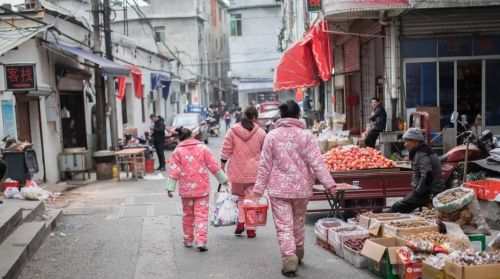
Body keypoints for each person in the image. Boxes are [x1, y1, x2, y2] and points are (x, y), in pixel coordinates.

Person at [253, 100, 340, 277]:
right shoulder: (307, 136)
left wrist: (258, 190)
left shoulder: (272, 135)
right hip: (301, 189)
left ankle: (289, 259)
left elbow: (264, 166)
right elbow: (317, 164)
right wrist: (330, 184)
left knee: (284, 226)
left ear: (282, 115)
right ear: (299, 115)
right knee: (298, 221)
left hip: (278, 189)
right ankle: (298, 252)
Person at [165, 127, 228, 252]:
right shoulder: (203, 148)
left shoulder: (177, 151)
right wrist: (223, 179)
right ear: (192, 135)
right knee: (202, 215)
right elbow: (213, 165)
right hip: (202, 189)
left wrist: (170, 188)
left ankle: (188, 239)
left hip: (186, 190)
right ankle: (201, 241)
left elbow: (174, 170)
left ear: (179, 138)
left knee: (188, 215)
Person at [221, 106, 266, 239]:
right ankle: (251, 229)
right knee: (251, 200)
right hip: (254, 172)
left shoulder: (232, 131)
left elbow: (226, 150)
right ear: (255, 117)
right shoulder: (261, 133)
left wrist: (222, 167)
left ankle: (240, 222)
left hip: (236, 171)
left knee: (239, 198)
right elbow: (265, 154)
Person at [390, 128, 444, 213]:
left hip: (429, 192)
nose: (404, 144)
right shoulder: (421, 151)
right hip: (426, 191)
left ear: (415, 142)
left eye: (406, 141)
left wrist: (418, 192)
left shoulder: (422, 155)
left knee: (397, 207)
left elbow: (427, 177)